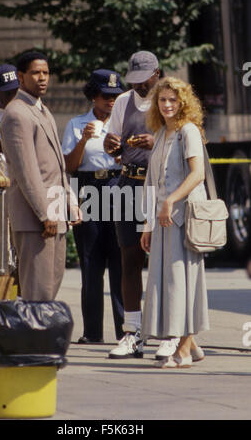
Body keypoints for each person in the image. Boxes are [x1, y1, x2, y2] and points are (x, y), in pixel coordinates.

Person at [104, 50, 177, 359]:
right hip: (129, 184)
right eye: (133, 81)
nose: (139, 87)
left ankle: (170, 333)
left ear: (156, 74)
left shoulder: (169, 101)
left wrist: (156, 140)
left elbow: (188, 139)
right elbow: (112, 141)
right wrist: (111, 144)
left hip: (160, 188)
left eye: (144, 81)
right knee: (129, 260)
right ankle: (131, 333)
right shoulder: (123, 101)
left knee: (164, 262)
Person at [0, 51, 81, 301]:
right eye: (36, 73)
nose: (42, 78)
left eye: (46, 73)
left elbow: (56, 166)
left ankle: (41, 338)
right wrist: (45, 213)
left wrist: (70, 202)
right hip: (35, 217)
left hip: (54, 212)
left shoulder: (42, 109)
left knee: (51, 285)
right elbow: (27, 172)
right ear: (21, 77)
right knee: (37, 290)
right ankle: (33, 340)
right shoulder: (17, 113)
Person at [140, 76, 209, 368]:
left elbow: (198, 174)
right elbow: (151, 182)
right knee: (167, 283)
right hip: (163, 220)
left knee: (182, 282)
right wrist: (146, 224)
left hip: (184, 218)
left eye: (173, 100)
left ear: (183, 103)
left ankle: (182, 349)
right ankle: (190, 346)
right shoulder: (160, 134)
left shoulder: (188, 131)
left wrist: (171, 201)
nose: (167, 105)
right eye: (162, 100)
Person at [62, 69, 124, 343]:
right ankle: (92, 333)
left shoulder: (124, 122)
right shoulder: (77, 124)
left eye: (114, 95)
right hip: (88, 187)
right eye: (104, 95)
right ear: (93, 95)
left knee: (122, 261)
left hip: (119, 186)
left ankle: (127, 330)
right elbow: (69, 166)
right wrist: (84, 139)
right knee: (90, 261)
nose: (110, 100)